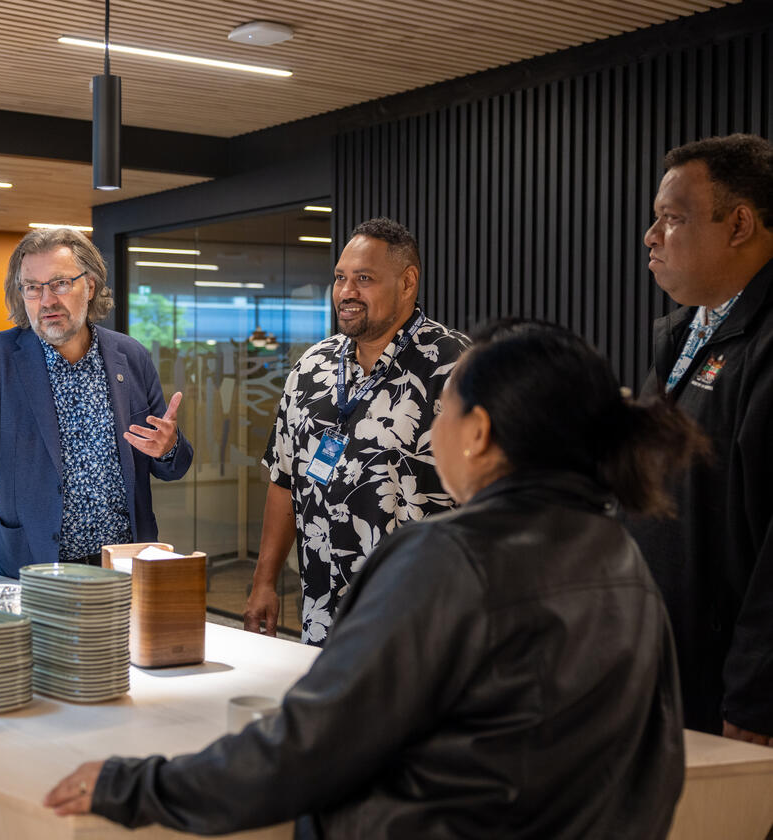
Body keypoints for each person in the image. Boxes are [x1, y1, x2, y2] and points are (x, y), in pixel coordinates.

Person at [47, 321, 703, 839]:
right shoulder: (619, 555)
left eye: (442, 409)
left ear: (478, 433)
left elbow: (312, 747)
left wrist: (135, 786)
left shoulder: (448, 559)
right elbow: (655, 764)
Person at [0, 227, 193, 578]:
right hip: (31, 566)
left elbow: (172, 467)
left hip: (125, 566)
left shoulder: (130, 356)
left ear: (90, 285)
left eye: (60, 283)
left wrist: (169, 447)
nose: (47, 300)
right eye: (32, 287)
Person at [245, 217, 469, 644]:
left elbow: (490, 500)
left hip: (421, 623)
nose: (346, 292)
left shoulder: (455, 368)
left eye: (363, 279)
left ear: (407, 283)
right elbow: (284, 479)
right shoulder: (312, 367)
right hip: (322, 614)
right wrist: (264, 582)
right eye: (340, 278)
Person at [629, 133, 773, 744]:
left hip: (729, 698)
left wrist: (756, 698)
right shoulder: (684, 332)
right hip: (663, 670)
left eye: (672, 218)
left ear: (739, 224)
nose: (651, 236)